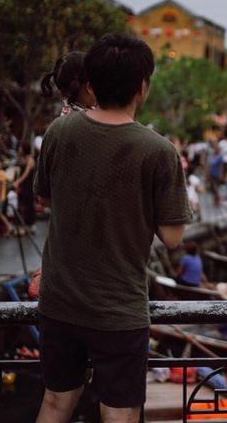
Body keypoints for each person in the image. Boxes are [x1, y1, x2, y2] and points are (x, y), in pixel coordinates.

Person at [34, 34, 190, 423]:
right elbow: (173, 237)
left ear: (91, 83)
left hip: (59, 301)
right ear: (142, 86)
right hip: (117, 308)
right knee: (118, 413)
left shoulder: (59, 131)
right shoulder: (158, 151)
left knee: (55, 402)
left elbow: (45, 199)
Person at [12, 142, 37, 234]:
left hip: (28, 185)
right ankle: (24, 226)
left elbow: (25, 174)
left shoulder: (30, 160)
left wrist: (18, 182)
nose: (19, 149)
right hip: (24, 186)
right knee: (22, 205)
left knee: (27, 205)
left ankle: (27, 226)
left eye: (20, 148)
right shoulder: (23, 159)